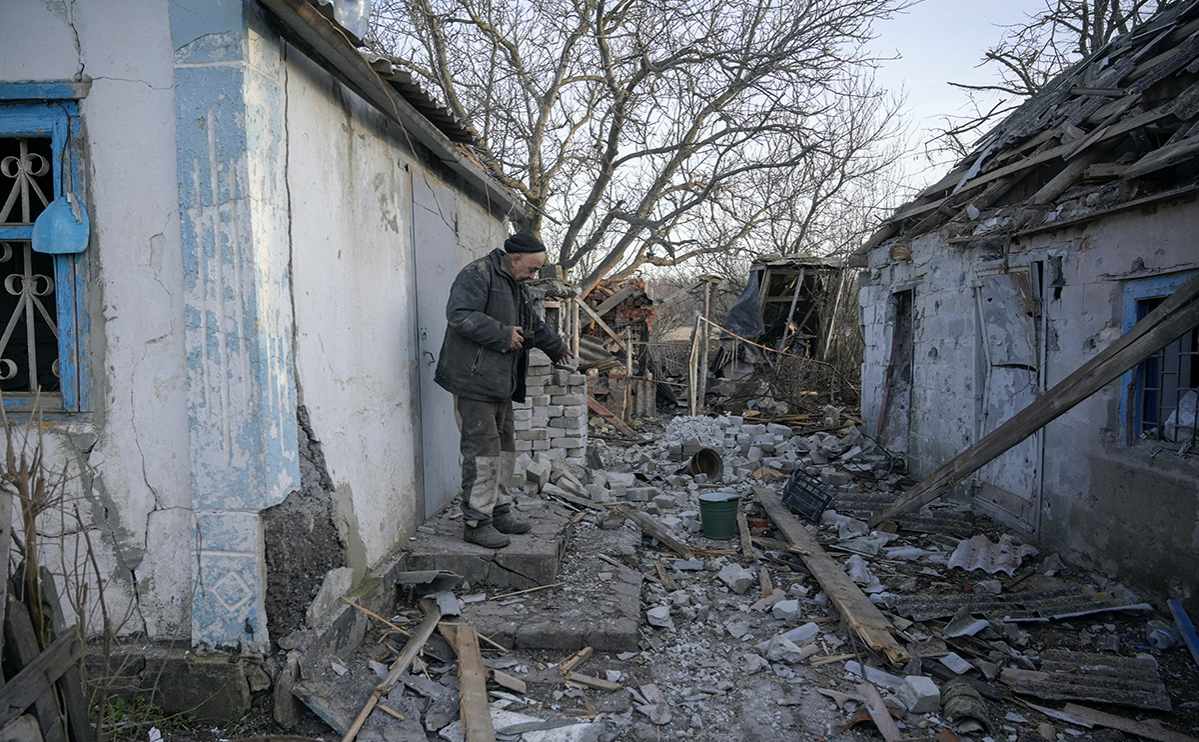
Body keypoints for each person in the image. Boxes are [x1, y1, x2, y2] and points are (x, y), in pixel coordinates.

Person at [435, 232, 573, 548]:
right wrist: (502, 334)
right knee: (482, 453)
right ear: (515, 260)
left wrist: (556, 348)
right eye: (533, 268)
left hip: (499, 381)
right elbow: (459, 315)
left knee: (504, 449)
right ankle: (476, 521)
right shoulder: (478, 273)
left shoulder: (515, 284)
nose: (534, 275)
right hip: (473, 380)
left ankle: (499, 510)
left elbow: (531, 323)